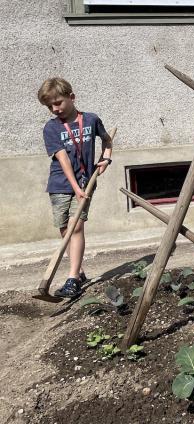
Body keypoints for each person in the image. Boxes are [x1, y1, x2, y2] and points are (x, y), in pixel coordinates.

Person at [37, 77, 113, 298]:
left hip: (85, 183)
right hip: (60, 183)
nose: (54, 109)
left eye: (58, 102)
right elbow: (63, 160)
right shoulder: (51, 128)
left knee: (76, 227)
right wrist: (75, 187)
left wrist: (106, 159)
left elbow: (107, 141)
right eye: (49, 106)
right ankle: (78, 270)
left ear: (71, 97)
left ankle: (72, 279)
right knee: (65, 230)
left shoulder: (91, 120)